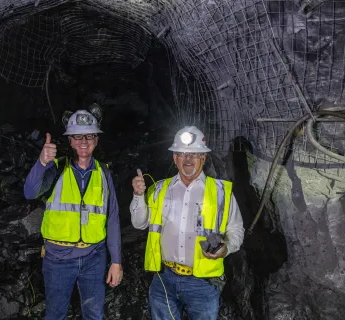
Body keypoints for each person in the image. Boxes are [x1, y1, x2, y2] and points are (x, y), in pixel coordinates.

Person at [130, 126, 244, 320]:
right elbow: (139, 223)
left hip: (202, 284)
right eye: (183, 154)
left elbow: (236, 230)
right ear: (175, 158)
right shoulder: (159, 189)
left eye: (195, 154)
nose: (188, 159)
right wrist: (138, 195)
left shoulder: (221, 192)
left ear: (203, 158)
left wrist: (226, 248)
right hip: (164, 278)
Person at [24, 106, 123, 320]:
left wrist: (116, 261)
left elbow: (112, 218)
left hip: (94, 257)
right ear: (70, 140)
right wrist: (42, 162)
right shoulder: (56, 168)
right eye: (77, 136)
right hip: (58, 259)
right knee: (56, 314)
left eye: (89, 135)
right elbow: (30, 192)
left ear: (97, 139)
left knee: (94, 314)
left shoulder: (103, 172)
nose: (84, 141)